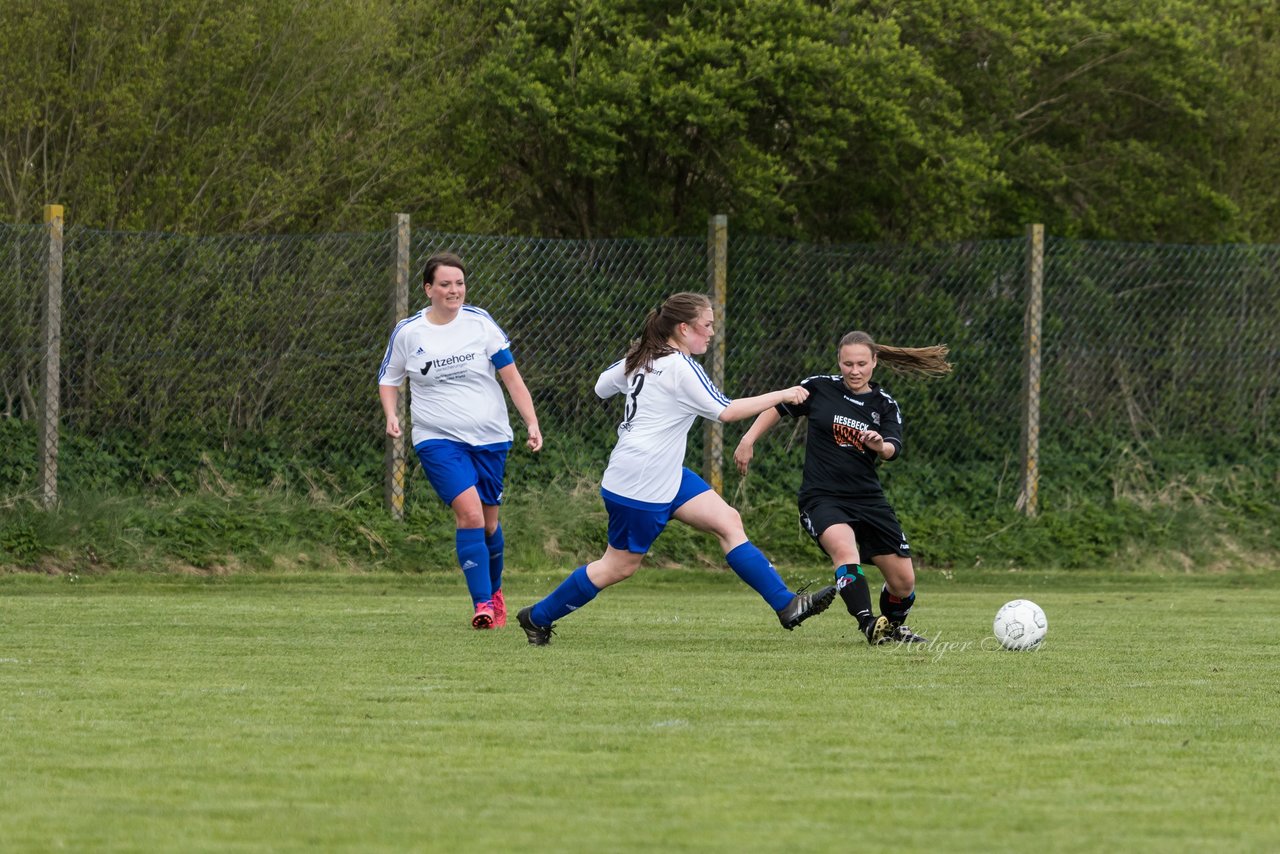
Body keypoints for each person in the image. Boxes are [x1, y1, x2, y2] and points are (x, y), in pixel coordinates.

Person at [516, 292, 837, 646]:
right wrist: (784, 394)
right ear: (684, 328)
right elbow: (725, 411)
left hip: (661, 472)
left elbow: (601, 386)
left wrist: (636, 361)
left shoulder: (646, 357)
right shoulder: (680, 367)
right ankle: (536, 617)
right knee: (618, 566)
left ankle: (787, 605)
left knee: (728, 522)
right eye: (707, 325)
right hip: (642, 481)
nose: (712, 332)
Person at [733, 331, 951, 646]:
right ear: (839, 361)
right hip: (822, 497)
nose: (854, 370)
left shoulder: (884, 405)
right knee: (845, 551)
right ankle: (867, 623)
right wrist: (748, 439)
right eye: (848, 363)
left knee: (903, 582)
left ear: (875, 362)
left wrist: (880, 446)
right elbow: (779, 406)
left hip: (868, 499)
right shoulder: (820, 387)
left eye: (862, 363)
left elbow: (893, 447)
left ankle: (891, 627)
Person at [378, 251, 542, 630]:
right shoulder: (409, 332)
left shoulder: (480, 324)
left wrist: (531, 422)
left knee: (487, 525)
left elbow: (512, 379)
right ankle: (482, 604)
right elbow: (389, 378)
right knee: (468, 513)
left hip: (490, 438)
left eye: (460, 283)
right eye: (446, 284)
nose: (455, 290)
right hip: (437, 439)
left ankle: (495, 591)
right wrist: (391, 414)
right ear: (428, 289)